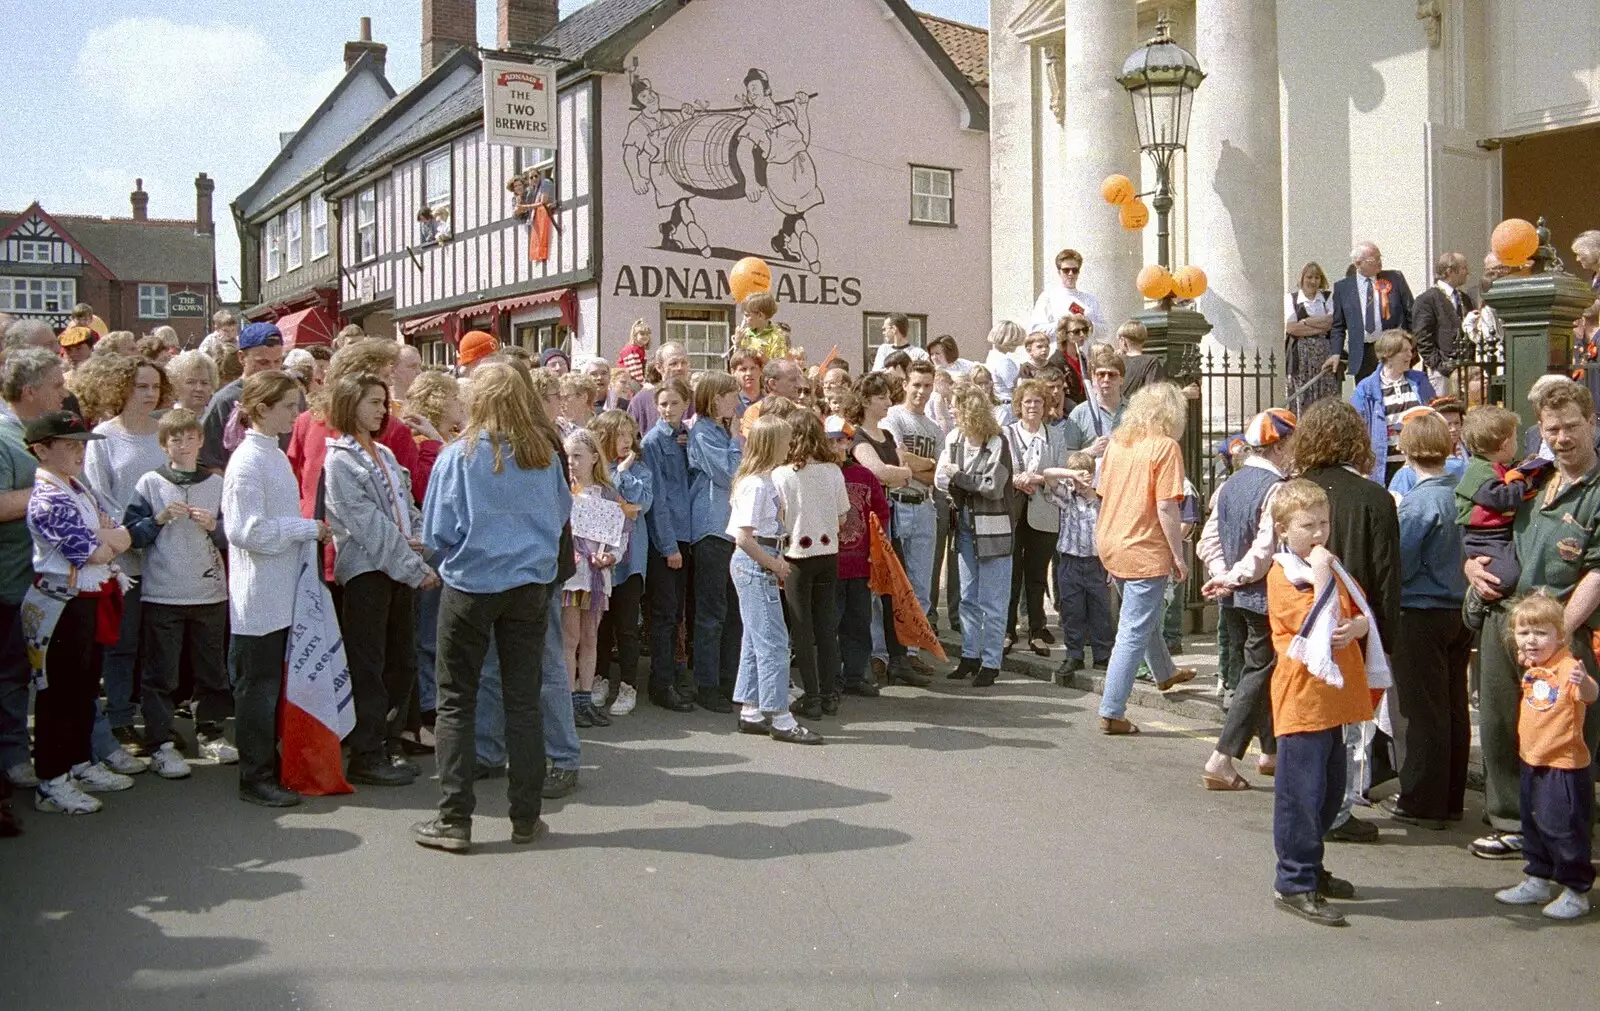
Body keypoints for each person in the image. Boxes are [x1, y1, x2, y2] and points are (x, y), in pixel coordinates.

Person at [415, 362, 570, 853]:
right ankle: (525, 817)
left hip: (471, 585)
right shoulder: (543, 456)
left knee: (457, 700)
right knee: (522, 700)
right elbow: (563, 515)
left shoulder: (458, 457)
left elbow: (436, 532)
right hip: (527, 586)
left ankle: (454, 819)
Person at [1463, 379, 1600, 862]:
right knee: (1500, 727)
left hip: (1560, 633)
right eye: (1552, 429)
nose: (1562, 438)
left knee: (1562, 736)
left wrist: (1556, 634)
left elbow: (1598, 572)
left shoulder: (1597, 492)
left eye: (1571, 427)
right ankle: (1510, 823)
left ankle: (1565, 836)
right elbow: (1484, 529)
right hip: (1504, 621)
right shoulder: (1532, 477)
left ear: (1593, 424)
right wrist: (1470, 566)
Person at [1264, 478, 1381, 927]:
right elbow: (1311, 619)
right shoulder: (1285, 574)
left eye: (1323, 523)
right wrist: (1321, 577)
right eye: (1306, 525)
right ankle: (1294, 880)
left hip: (1332, 702)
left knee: (1330, 793)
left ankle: (1312, 867)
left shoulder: (1325, 568)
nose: (1318, 534)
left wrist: (1356, 627)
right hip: (1303, 702)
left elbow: (1354, 608)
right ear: (1282, 530)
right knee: (1301, 796)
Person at [323, 374, 438, 786]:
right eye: (373, 402)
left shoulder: (385, 454)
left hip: (398, 570)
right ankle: (367, 751)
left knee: (400, 662)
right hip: (368, 574)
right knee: (368, 664)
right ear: (349, 403)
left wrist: (423, 543)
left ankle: (387, 742)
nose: (381, 410)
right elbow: (369, 527)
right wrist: (414, 567)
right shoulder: (340, 459)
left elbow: (407, 508)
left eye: (383, 403)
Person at [1295, 398, 1400, 844]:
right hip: (1354, 625)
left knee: (1313, 720)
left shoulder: (1293, 493)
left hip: (1302, 623)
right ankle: (1337, 810)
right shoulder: (1374, 497)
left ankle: (1316, 804)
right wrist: (1384, 636)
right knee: (1350, 726)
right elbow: (1387, 574)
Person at [223, 371, 329, 808]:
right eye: (288, 406)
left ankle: (267, 764)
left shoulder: (269, 455)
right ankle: (255, 775)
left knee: (268, 684)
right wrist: (304, 529)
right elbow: (244, 530)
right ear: (262, 409)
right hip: (258, 594)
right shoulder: (248, 460)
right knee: (258, 687)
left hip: (278, 587)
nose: (296, 413)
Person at [24, 411, 134, 814]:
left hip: (86, 599)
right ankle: (51, 781)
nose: (79, 451)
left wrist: (106, 536)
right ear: (41, 449)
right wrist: (105, 538)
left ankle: (78, 762)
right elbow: (92, 550)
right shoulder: (49, 497)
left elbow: (117, 534)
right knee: (60, 694)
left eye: (81, 444)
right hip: (60, 605)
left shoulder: (76, 488)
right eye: (69, 445)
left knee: (85, 687)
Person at [122, 408, 234, 778]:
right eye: (174, 438)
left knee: (211, 670)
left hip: (209, 592)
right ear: (163, 444)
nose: (183, 445)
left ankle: (211, 732)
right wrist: (157, 520)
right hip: (163, 593)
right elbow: (131, 535)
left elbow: (233, 536)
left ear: (201, 440)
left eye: (189, 437)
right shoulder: (151, 483)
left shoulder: (217, 483)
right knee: (161, 673)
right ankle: (160, 743)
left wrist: (213, 527)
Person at [1197, 408, 1299, 790]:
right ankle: (1222, 758)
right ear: (1281, 445)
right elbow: (1264, 549)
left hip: (1234, 596)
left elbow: (1208, 540)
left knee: (1258, 669)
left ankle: (1269, 752)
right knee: (1258, 672)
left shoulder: (1230, 484)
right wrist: (1235, 577)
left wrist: (1223, 576)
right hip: (1259, 595)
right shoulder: (1276, 489)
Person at [1384, 411, 1472, 829]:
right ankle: (1451, 797)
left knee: (1424, 712)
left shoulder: (1419, 502)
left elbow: (1401, 564)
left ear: (1405, 449)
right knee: (1454, 707)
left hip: (1421, 611)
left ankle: (1422, 800)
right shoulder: (1460, 492)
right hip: (1458, 609)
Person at [1092, 383, 1192, 733]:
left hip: (1111, 539)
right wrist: (1178, 556)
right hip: (1143, 546)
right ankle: (1112, 710)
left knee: (1140, 615)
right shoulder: (1166, 448)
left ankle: (1164, 673)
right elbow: (1167, 505)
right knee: (1132, 630)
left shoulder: (1119, 443)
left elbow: (1101, 494)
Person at [1490, 591, 1596, 920]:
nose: (1531, 640)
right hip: (1532, 760)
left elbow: (1590, 694)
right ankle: (1537, 877)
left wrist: (1585, 683)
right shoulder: (1536, 666)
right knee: (1533, 822)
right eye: (1524, 633)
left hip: (1562, 766)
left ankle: (1576, 890)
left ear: (1560, 636)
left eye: (1540, 633)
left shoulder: (1567, 666)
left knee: (1563, 827)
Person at [729, 414, 821, 743]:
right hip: (756, 564)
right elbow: (744, 536)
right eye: (784, 440)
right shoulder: (755, 484)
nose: (790, 445)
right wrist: (773, 563)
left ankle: (751, 709)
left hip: (761, 561)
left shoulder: (762, 479)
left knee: (756, 641)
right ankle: (780, 717)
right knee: (773, 642)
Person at [0, 350, 68, 791]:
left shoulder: (37, 434)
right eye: (56, 385)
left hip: (42, 581)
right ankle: (11, 758)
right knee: (10, 673)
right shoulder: (4, 439)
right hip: (10, 582)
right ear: (29, 391)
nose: (64, 392)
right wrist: (52, 490)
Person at [937, 385, 1015, 687]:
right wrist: (963, 480)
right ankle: (970, 655)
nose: (951, 412)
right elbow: (941, 480)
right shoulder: (953, 439)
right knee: (967, 598)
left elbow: (993, 487)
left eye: (955, 406)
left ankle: (991, 661)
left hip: (994, 529)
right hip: (965, 527)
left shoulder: (998, 443)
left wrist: (959, 476)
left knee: (993, 600)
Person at [1454, 405, 1554, 631]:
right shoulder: (1478, 472)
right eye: (1515, 438)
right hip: (1484, 537)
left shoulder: (1496, 466)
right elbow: (1501, 498)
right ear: (1504, 444)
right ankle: (1477, 599)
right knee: (1507, 577)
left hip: (1500, 533)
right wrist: (1521, 482)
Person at [774, 411, 848, 717]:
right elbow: (842, 516)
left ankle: (812, 695)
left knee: (801, 627)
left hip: (797, 555)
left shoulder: (782, 474)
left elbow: (779, 518)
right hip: (828, 553)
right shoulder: (833, 471)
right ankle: (830, 693)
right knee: (826, 625)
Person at [560, 429, 629, 728]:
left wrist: (611, 556)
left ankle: (584, 698)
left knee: (591, 637)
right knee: (569, 638)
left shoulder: (608, 494)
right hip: (571, 576)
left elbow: (622, 533)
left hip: (597, 575)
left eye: (578, 456)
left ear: (593, 458)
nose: (572, 462)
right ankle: (566, 701)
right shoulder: (563, 491)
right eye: (568, 457)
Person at [881, 360, 944, 670]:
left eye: (927, 385)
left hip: (924, 505)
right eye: (916, 384)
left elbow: (939, 475)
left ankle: (911, 652)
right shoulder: (893, 417)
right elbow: (897, 456)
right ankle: (882, 652)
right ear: (905, 384)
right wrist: (925, 464)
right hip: (897, 504)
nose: (921, 391)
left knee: (920, 583)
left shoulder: (934, 428)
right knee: (890, 581)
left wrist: (916, 467)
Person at [686, 372, 743, 713]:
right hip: (711, 529)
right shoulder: (703, 432)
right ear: (715, 398)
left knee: (732, 610)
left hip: (733, 529)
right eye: (730, 394)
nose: (736, 399)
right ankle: (707, 685)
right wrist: (737, 441)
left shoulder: (723, 431)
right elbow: (730, 474)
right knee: (712, 611)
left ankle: (728, 678)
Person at [590, 410, 651, 717]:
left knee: (627, 626)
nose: (627, 441)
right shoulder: (596, 470)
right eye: (620, 435)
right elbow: (600, 498)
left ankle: (628, 685)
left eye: (630, 435)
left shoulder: (640, 469)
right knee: (600, 625)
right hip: (598, 560)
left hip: (630, 559)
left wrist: (625, 473)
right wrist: (616, 477)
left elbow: (642, 503)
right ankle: (599, 679)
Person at [641, 376, 696, 712]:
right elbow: (657, 499)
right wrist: (668, 545)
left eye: (675, 403)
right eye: (663, 403)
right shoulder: (652, 443)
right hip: (668, 538)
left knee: (677, 611)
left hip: (686, 533)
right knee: (663, 612)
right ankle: (661, 682)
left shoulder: (686, 439)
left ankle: (674, 673)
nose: (668, 409)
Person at [1005, 378, 1068, 656]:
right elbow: (998, 469)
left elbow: (1062, 473)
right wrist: (1017, 479)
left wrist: (1039, 478)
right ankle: (1007, 630)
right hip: (1012, 512)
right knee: (1010, 573)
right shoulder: (1006, 434)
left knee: (1037, 575)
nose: (1032, 406)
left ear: (1045, 407)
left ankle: (1036, 630)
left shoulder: (1055, 436)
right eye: (1028, 401)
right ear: (1019, 405)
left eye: (1038, 401)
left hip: (1044, 512)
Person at [833, 414, 889, 697]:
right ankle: (830, 677)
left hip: (859, 563)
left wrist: (875, 551)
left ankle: (854, 674)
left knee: (858, 620)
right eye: (831, 441)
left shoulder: (864, 476)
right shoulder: (819, 474)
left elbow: (880, 512)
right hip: (830, 564)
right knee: (830, 622)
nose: (836, 446)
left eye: (841, 441)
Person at [1047, 450, 1112, 681]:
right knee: (1072, 611)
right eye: (1077, 478)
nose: (1081, 483)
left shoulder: (1102, 501)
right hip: (1070, 562)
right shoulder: (1067, 497)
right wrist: (1071, 474)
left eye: (1086, 477)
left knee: (1100, 611)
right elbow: (1048, 475)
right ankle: (1074, 654)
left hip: (1096, 563)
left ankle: (1102, 655)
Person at [200, 322, 288, 473]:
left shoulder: (291, 395)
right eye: (263, 362)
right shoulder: (225, 400)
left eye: (278, 361)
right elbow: (208, 460)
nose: (272, 369)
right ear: (241, 358)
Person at [1351, 330, 1435, 484]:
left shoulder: (1420, 381)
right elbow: (1356, 430)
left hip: (1419, 461)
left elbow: (1433, 414)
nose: (1410, 355)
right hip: (1385, 465)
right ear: (1388, 355)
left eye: (1411, 350)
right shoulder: (1366, 388)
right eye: (1404, 351)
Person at [1329, 241, 1414, 382]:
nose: (1379, 263)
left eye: (1380, 257)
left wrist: (1411, 343)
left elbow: (1411, 311)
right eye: (1374, 260)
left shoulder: (1395, 278)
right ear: (1358, 263)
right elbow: (1338, 325)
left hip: (1392, 347)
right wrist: (1336, 352)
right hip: (1363, 352)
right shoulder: (1343, 288)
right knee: (1368, 394)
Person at [1412, 252, 1475, 394]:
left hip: (1466, 368)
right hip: (1441, 373)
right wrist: (1439, 365)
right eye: (1464, 268)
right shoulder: (1426, 300)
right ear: (1450, 271)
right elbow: (1423, 337)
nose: (1468, 272)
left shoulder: (1464, 298)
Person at [1284, 262, 1338, 411]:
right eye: (1309, 277)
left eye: (1317, 277)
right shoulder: (1291, 299)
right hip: (1301, 358)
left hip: (1323, 356)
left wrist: (1306, 322)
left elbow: (1331, 322)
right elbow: (1292, 328)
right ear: (1302, 278)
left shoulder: (1327, 298)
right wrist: (1320, 329)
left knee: (1325, 396)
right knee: (1303, 394)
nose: (1313, 281)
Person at [1029, 248, 1107, 339]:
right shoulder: (1048, 297)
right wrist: (1065, 324)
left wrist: (1088, 324)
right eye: (1066, 270)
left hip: (1085, 351)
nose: (1071, 274)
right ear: (1059, 272)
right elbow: (1036, 329)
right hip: (1060, 351)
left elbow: (1105, 331)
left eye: (1075, 270)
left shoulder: (1089, 299)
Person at [1065, 344, 1126, 459]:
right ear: (1093, 377)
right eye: (1101, 374)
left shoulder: (1135, 412)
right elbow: (1066, 456)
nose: (1106, 379)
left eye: (1112, 375)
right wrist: (1091, 451)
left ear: (1121, 379)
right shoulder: (1080, 413)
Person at [627, 342, 691, 434]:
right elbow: (630, 438)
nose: (680, 368)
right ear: (659, 367)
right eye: (673, 364)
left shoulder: (698, 399)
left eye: (684, 363)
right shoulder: (641, 401)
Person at [1046, 314, 1091, 406]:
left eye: (1085, 330)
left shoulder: (1081, 357)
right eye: (1076, 331)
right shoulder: (1056, 361)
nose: (1082, 335)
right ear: (1064, 335)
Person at [1115, 321, 1166, 398]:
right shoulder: (1151, 362)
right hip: (1138, 408)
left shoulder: (1116, 361)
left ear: (1123, 340)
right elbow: (1154, 393)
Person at [983, 321, 1026, 407]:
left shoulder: (992, 357)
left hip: (999, 402)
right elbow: (1013, 388)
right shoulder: (1004, 362)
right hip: (1008, 404)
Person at [736, 292, 787, 362]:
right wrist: (737, 344)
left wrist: (766, 361)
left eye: (747, 315)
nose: (744, 319)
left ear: (760, 315)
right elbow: (736, 363)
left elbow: (779, 367)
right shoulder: (745, 334)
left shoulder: (776, 337)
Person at [166, 350, 219, 414]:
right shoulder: (159, 420)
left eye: (204, 383)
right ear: (176, 385)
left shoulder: (220, 420)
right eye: (190, 382)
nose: (199, 388)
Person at [616, 318, 652, 384]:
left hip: (632, 380)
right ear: (635, 336)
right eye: (642, 334)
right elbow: (635, 372)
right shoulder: (632, 350)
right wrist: (643, 385)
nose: (645, 336)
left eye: (647, 334)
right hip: (628, 381)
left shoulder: (640, 349)